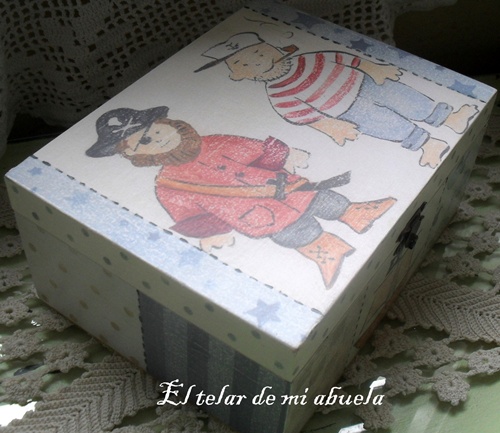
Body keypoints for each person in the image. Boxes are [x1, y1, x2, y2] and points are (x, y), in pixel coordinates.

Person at [86, 106, 396, 289]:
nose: (156, 139)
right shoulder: (169, 184)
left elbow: (253, 149)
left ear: (167, 124)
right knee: (296, 232)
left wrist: (286, 155)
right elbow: (188, 213)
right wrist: (211, 234)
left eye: (154, 130)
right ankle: (328, 251)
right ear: (134, 155)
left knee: (322, 200)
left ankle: (355, 213)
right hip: (260, 217)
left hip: (287, 187)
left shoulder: (213, 142)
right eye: (143, 142)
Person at [195, 32, 478, 168]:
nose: (257, 61)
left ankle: (449, 118)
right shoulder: (278, 93)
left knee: (408, 99)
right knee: (387, 126)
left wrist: (373, 67)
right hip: (349, 111)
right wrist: (331, 126)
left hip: (365, 82)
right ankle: (428, 144)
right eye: (245, 63)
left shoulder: (307, 59)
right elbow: (301, 115)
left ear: (273, 48)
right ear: (239, 75)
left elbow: (341, 57)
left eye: (258, 53)